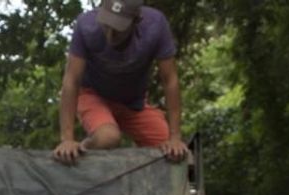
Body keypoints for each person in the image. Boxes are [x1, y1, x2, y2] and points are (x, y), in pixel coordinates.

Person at [53, 0, 189, 165]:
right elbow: (71, 80)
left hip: (133, 102)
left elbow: (170, 80)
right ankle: (82, 153)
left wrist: (175, 137)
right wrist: (67, 139)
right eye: (106, 25)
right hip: (93, 95)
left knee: (174, 153)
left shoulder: (155, 25)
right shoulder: (86, 25)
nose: (110, 35)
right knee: (108, 138)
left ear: (136, 21)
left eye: (117, 29)